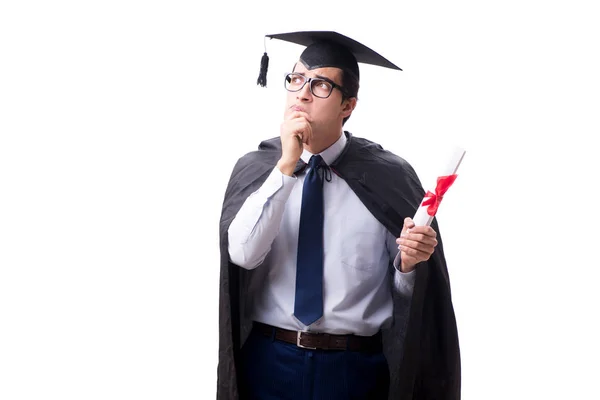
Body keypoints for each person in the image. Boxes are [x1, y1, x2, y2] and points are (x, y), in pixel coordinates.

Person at [217, 31, 460, 400]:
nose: (302, 93)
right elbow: (243, 254)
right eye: (296, 79)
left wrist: (409, 265)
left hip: (354, 372)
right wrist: (285, 167)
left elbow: (405, 292)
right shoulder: (258, 169)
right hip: (268, 364)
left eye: (320, 85)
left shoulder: (388, 176)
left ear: (348, 106)